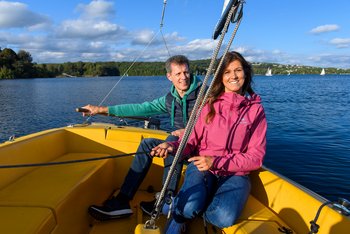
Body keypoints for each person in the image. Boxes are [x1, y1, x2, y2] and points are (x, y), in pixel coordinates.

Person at [151, 51, 267, 233]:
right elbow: (190, 140)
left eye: (237, 70)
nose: (233, 76)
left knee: (223, 216)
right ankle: (182, 213)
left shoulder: (255, 110)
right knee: (188, 207)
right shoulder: (208, 104)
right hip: (202, 167)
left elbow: (255, 157)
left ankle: (196, 205)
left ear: (246, 72)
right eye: (227, 72)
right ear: (221, 77)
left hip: (235, 173)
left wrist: (217, 161)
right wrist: (172, 146)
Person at [83, 55, 203, 221]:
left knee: (171, 142)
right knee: (148, 144)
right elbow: (141, 108)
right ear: (169, 76)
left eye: (186, 72)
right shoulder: (170, 99)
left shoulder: (206, 95)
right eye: (178, 74)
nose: (184, 77)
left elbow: (220, 123)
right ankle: (123, 202)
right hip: (178, 145)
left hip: (200, 148)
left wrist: (189, 131)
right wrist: (101, 109)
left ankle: (165, 201)